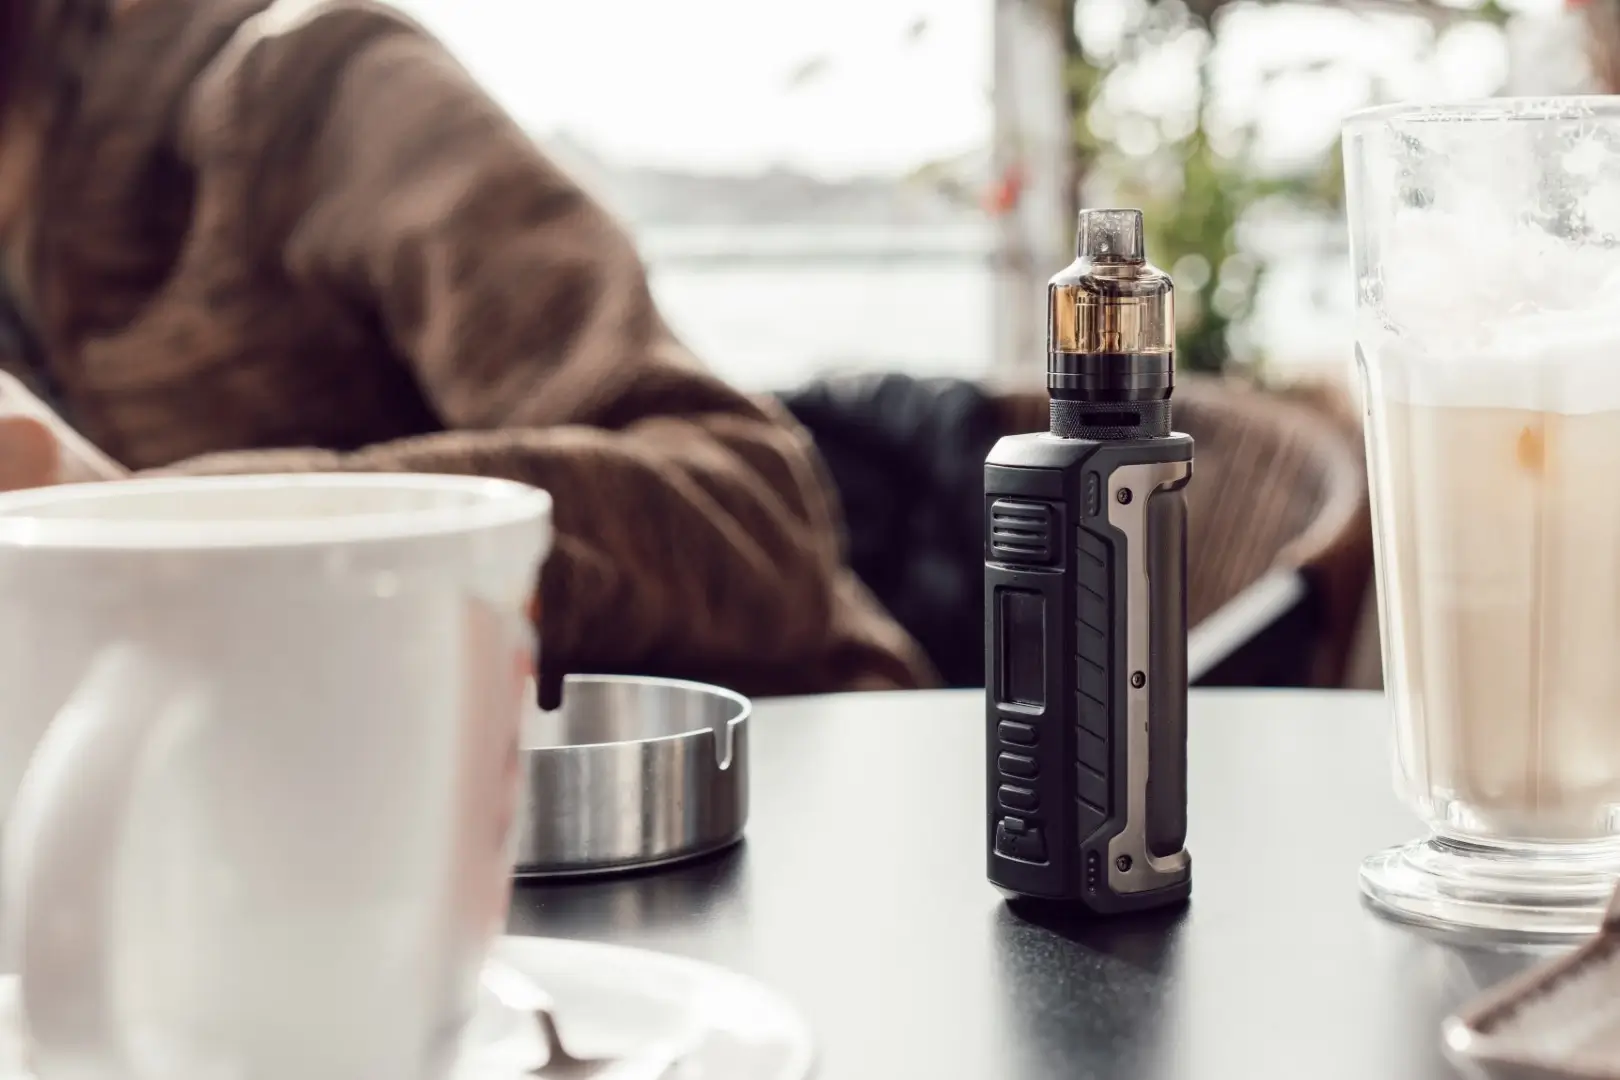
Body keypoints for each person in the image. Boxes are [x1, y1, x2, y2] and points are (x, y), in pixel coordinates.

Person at [0, 0, 934, 701]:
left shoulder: (313, 93)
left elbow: (755, 517)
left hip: (781, 794)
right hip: (335, 836)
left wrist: (147, 529)